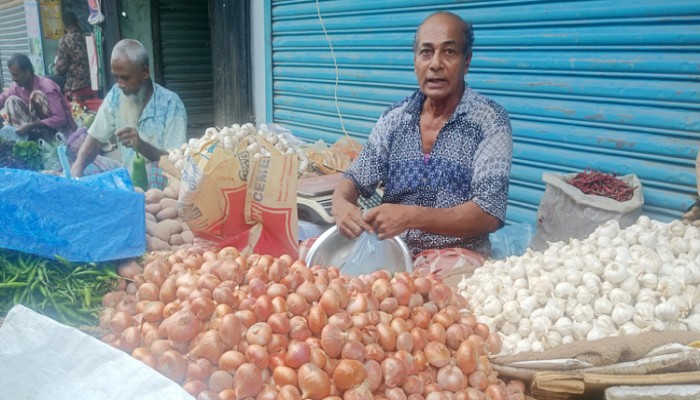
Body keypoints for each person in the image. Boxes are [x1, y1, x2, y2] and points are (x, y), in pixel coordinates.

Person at [330, 11, 513, 278]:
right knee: (312, 267)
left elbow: (489, 213)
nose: (435, 64)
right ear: (415, 61)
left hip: (454, 257)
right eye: (426, 53)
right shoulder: (395, 118)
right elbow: (354, 180)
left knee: (432, 300)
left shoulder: (490, 121)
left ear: (467, 61)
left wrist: (411, 216)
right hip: (392, 251)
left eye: (449, 52)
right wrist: (341, 204)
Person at [70, 39, 187, 190]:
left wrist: (142, 146)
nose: (120, 84)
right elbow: (95, 138)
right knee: (85, 162)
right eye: (116, 77)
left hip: (159, 183)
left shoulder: (171, 103)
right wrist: (78, 166)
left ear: (144, 72)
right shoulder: (115, 95)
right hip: (127, 175)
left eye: (125, 77)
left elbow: (175, 163)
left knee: (153, 170)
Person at [0, 53, 77, 141]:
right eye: (12, 75)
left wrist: (31, 126)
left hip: (61, 131)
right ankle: (29, 140)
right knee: (11, 100)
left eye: (16, 75)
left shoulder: (47, 88)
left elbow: (60, 119)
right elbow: (4, 98)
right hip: (40, 130)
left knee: (36, 96)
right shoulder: (17, 87)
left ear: (27, 73)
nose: (13, 79)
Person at [53, 11, 94, 101]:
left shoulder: (65, 40)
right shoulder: (88, 36)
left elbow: (60, 68)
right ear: (77, 22)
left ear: (64, 25)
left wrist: (55, 69)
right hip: (92, 84)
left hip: (75, 87)